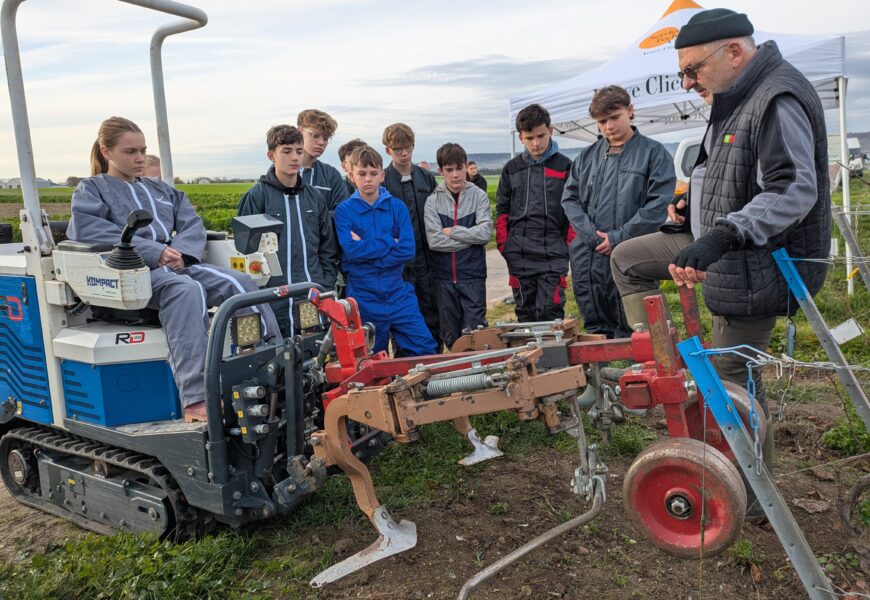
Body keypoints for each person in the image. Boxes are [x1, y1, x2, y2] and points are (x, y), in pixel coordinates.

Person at [609, 9, 830, 519]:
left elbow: (793, 188)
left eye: (692, 69)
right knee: (628, 260)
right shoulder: (733, 99)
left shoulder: (777, 97)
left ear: (734, 51)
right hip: (716, 245)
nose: (687, 81)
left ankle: (756, 502)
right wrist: (692, 207)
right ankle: (658, 360)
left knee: (733, 384)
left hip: (758, 265)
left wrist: (725, 233)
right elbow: (720, 169)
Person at [67, 117, 280, 422]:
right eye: (130, 152)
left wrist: (183, 253)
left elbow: (192, 223)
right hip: (129, 274)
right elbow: (90, 231)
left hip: (176, 266)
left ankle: (272, 365)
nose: (140, 158)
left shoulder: (160, 189)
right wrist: (155, 251)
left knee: (240, 282)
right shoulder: (92, 189)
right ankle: (197, 397)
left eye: (143, 150)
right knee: (186, 290)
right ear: (106, 151)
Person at [561, 86, 675, 339]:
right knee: (594, 322)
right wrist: (592, 236)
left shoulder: (653, 154)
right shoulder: (586, 157)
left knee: (639, 322)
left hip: (632, 249)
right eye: (602, 121)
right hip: (589, 252)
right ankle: (601, 373)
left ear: (630, 111)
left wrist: (619, 237)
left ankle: (641, 367)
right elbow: (569, 198)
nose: (609, 126)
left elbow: (657, 205)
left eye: (614, 117)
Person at [334, 145, 437, 356]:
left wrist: (367, 250)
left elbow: (408, 250)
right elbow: (351, 252)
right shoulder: (344, 211)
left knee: (425, 350)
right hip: (363, 298)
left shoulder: (397, 207)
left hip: (398, 293)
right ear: (352, 175)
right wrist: (390, 240)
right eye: (362, 174)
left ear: (382, 175)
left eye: (373, 173)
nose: (368, 179)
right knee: (369, 360)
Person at [237, 124, 339, 336]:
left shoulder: (315, 198)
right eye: (287, 151)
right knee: (276, 358)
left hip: (310, 295)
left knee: (311, 355)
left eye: (299, 151)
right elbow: (246, 255)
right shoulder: (256, 197)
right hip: (272, 299)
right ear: (271, 155)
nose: (295, 157)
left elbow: (328, 247)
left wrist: (324, 283)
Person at [496, 103, 573, 322]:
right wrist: (504, 244)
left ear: (550, 130)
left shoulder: (565, 166)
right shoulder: (511, 169)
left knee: (550, 312)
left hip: (554, 254)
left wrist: (567, 247)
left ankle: (552, 357)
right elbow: (502, 211)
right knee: (525, 316)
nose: (536, 143)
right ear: (520, 137)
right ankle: (528, 357)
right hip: (519, 254)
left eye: (541, 136)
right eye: (530, 138)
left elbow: (574, 211)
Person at [425, 143, 492, 349]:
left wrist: (454, 231)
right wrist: (469, 239)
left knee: (476, 335)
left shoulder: (479, 195)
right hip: (444, 279)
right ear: (441, 171)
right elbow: (435, 241)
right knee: (452, 338)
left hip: (472, 277)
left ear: (466, 167)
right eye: (449, 170)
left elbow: (485, 233)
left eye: (459, 168)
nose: (455, 175)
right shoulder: (432, 201)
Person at [381, 122, 441, 349]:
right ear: (388, 150)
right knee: (403, 320)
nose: (404, 153)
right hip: (399, 267)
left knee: (433, 315)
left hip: (429, 261)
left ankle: (436, 364)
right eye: (398, 149)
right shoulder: (383, 181)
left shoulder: (426, 178)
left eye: (408, 148)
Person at [296, 109, 347, 212]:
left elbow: (343, 214)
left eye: (326, 138)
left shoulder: (332, 175)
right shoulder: (279, 173)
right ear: (300, 132)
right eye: (315, 135)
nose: (321, 142)